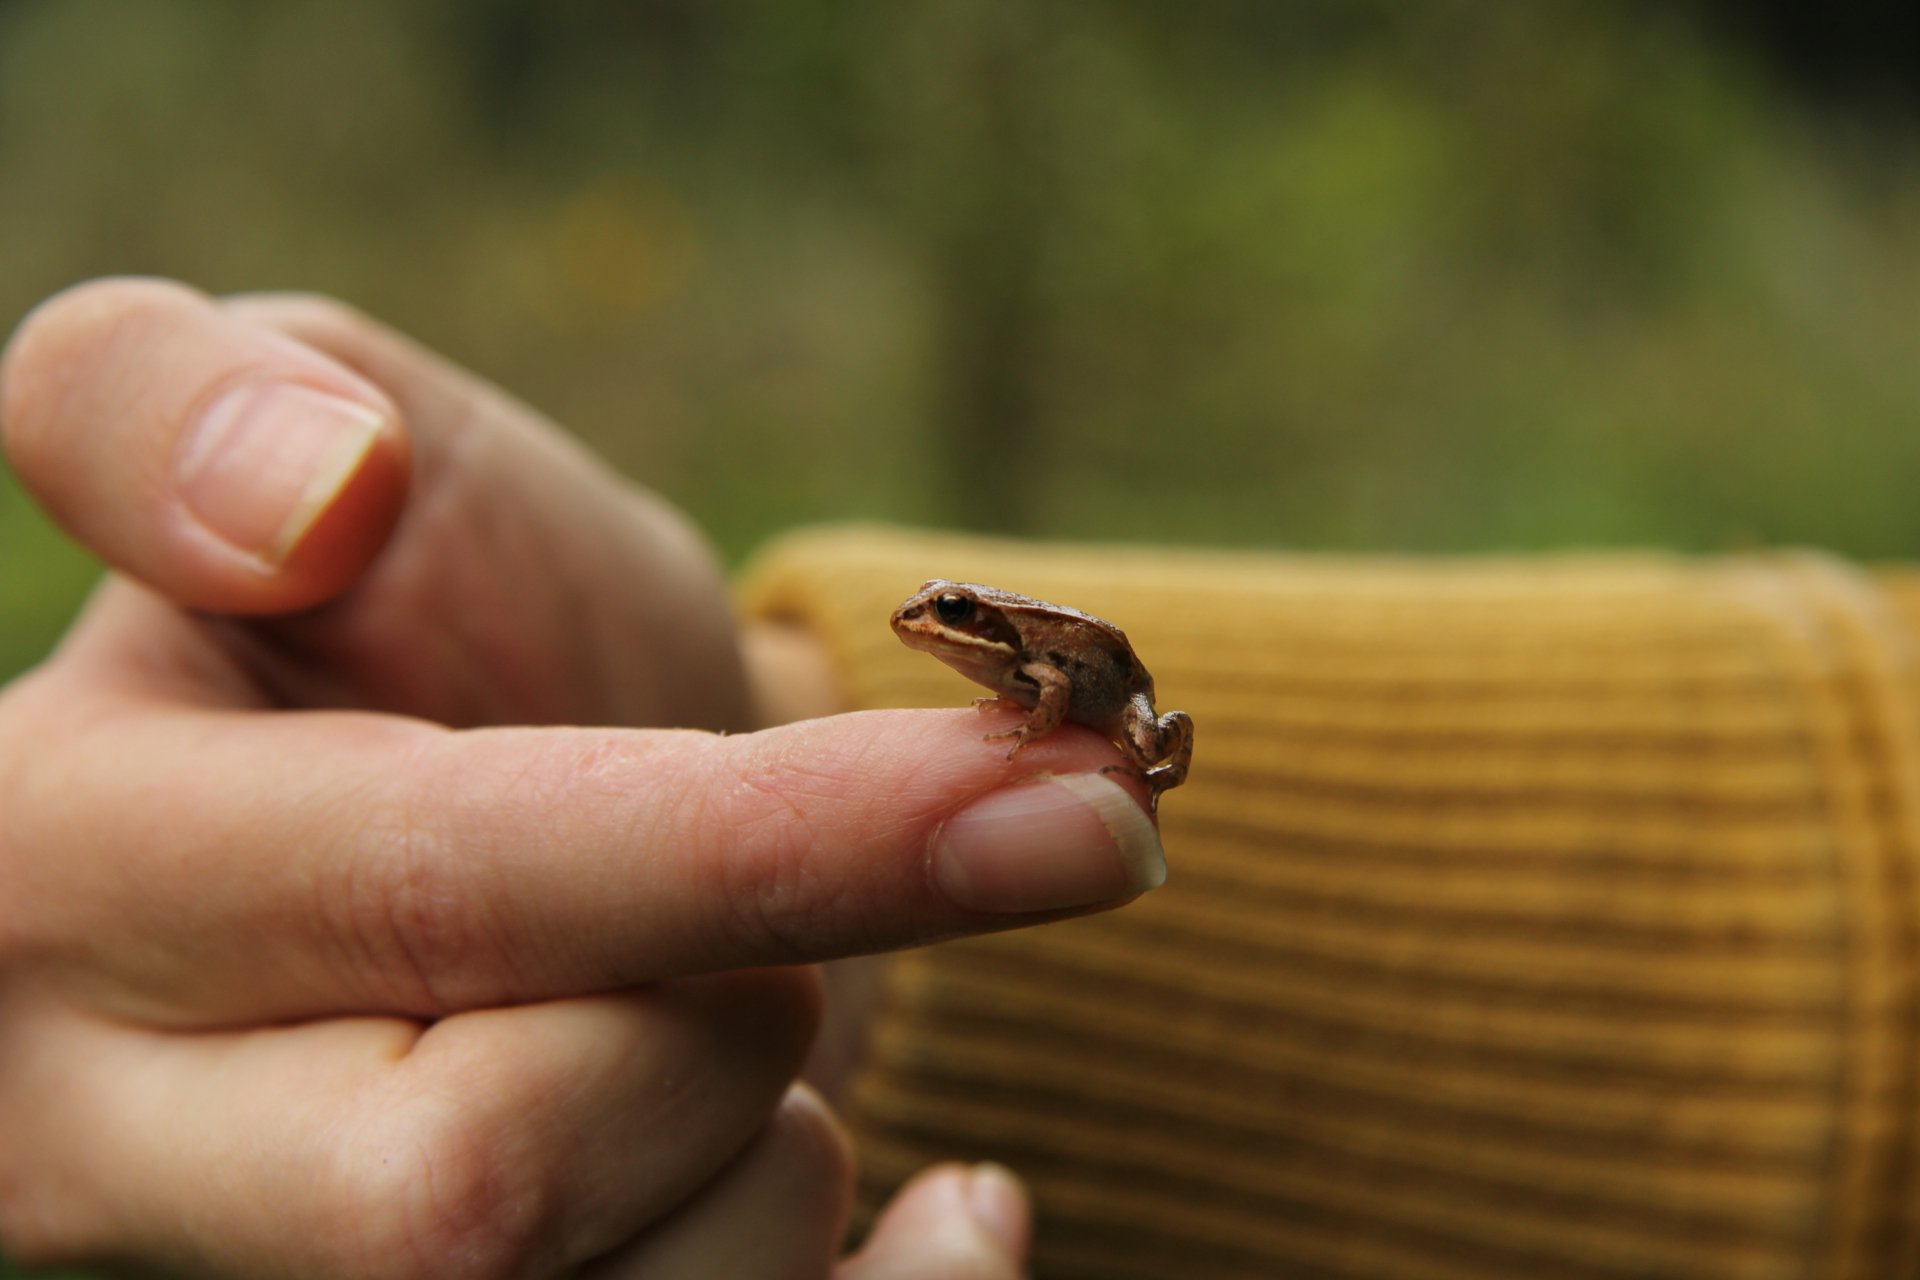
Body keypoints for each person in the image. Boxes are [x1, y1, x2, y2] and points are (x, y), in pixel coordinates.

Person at [0, 277, 1171, 1278]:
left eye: (949, 612)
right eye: (934, 610)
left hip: (1122, 701)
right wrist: (760, 708)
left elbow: (1068, 687)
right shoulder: (993, 673)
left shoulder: (1036, 662)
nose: (930, 621)